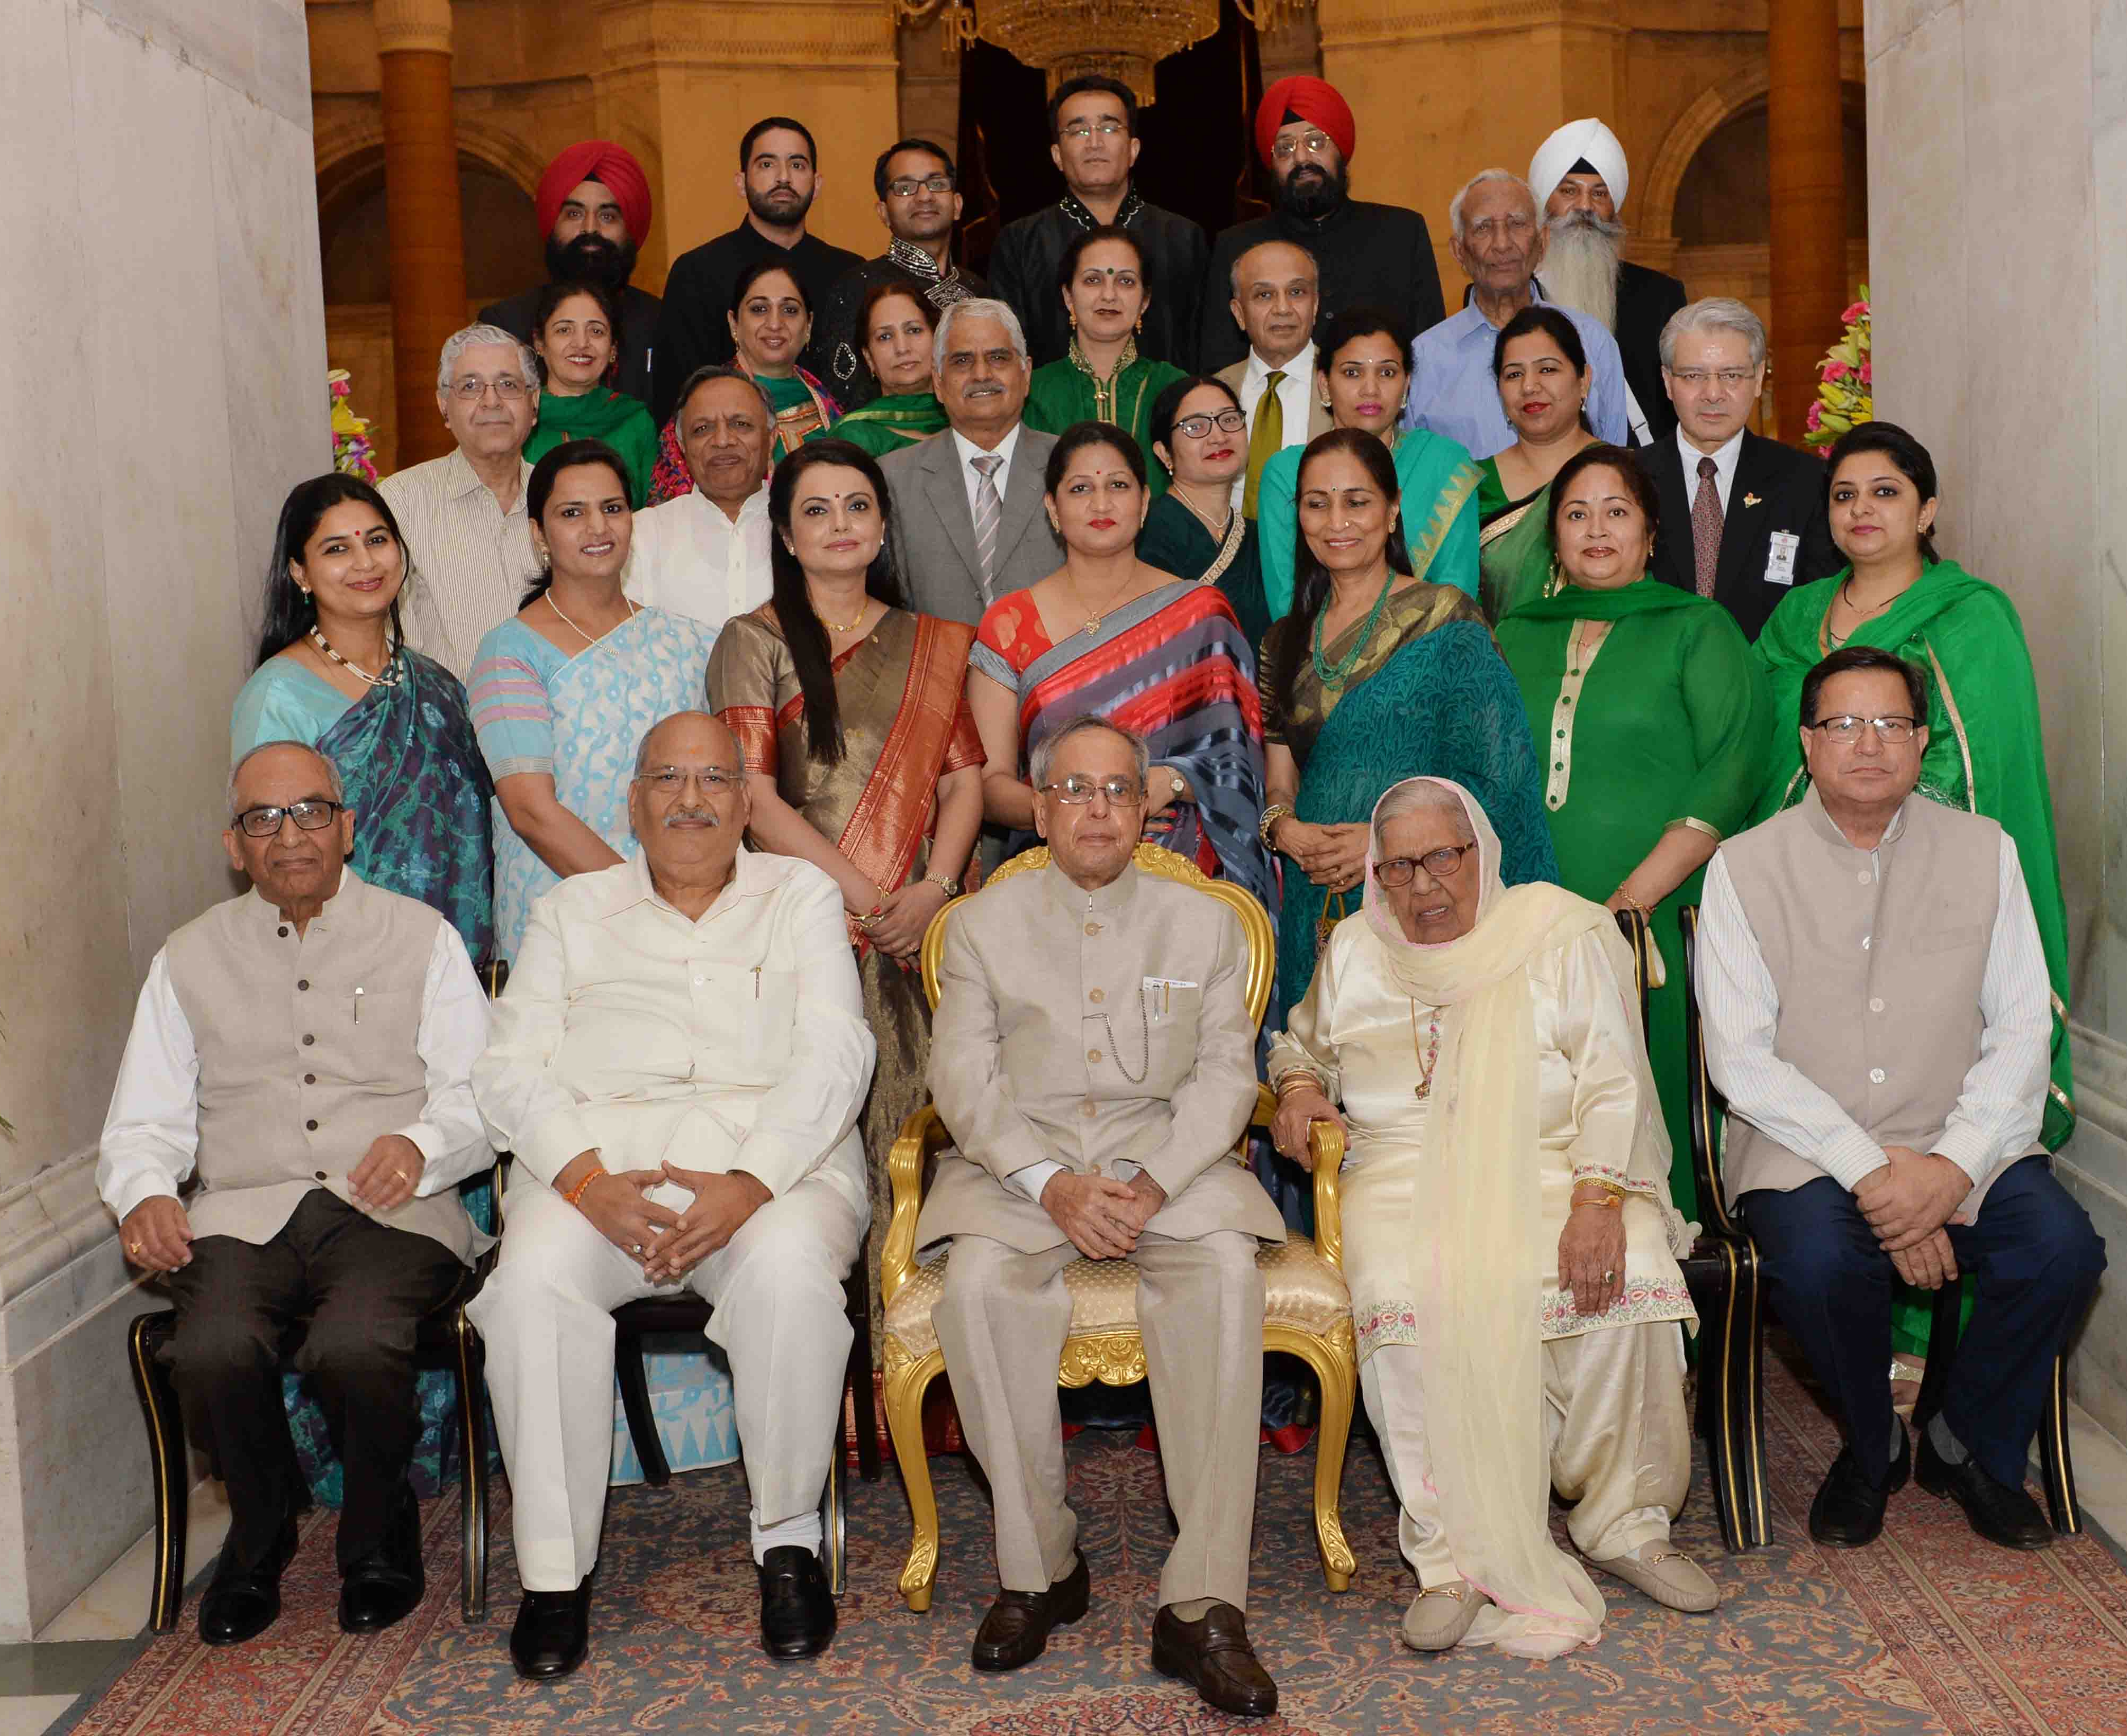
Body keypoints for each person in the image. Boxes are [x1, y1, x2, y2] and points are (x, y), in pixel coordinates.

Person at [1268, 777, 1713, 1656]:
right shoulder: (1357, 948)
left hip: (1557, 1164)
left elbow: (1614, 1077)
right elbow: (1299, 1041)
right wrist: (1297, 1088)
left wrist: (1596, 1198)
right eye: (1397, 867)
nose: (1424, 885)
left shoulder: (1557, 931)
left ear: (1480, 850)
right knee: (1401, 1283)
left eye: (1443, 857)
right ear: (1375, 872)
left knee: (1633, 1262)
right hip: (1397, 1172)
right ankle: (1453, 1557)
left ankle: (1624, 1524)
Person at [470, 710, 875, 1674]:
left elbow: (834, 1053)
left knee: (784, 1271)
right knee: (530, 1289)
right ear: (633, 801)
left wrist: (751, 1182)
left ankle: (787, 1548)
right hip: (599, 1174)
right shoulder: (570, 912)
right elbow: (506, 1070)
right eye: (666, 779)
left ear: (744, 802)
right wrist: (583, 1181)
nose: (689, 800)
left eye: (712, 780)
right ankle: (554, 1577)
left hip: (772, 1167)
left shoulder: (801, 897)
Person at [1696, 645, 2107, 1552]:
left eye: (1890, 724)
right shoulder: (1741, 867)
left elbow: (2017, 1030)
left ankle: (1968, 1443)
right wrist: (1880, 1178)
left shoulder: (1982, 850)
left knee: (2059, 1249)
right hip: (1804, 1145)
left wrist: (1952, 1168)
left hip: (1960, 1139)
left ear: (1922, 744)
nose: (1867, 744)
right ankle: (1871, 1444)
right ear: (1806, 745)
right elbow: (1740, 1061)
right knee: (1817, 1263)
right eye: (1842, 725)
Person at [923, 716, 1286, 1717]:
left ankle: (1202, 1605)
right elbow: (961, 1079)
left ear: (1145, 809)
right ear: (1038, 810)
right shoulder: (978, 928)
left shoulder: (1204, 922)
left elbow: (1224, 1077)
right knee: (979, 1287)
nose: (1096, 809)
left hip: (1170, 1160)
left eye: (1117, 791)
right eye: (1074, 791)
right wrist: (1048, 1183)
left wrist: (1159, 1180)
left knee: (1220, 1275)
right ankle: (1040, 1567)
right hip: (1020, 1165)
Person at [98, 742, 489, 1647]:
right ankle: (260, 1533)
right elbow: (142, 1122)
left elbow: (483, 1094)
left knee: (355, 1342)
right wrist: (147, 1195)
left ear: (347, 829)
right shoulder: (187, 957)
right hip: (243, 1209)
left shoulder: (422, 934)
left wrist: (423, 1143)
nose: (290, 835)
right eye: (262, 819)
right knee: (212, 1343)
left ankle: (376, 1535)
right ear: (235, 846)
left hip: (392, 1206)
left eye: (311, 811)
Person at [705, 440, 984, 1313]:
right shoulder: (751, 641)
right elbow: (750, 795)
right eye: (815, 511)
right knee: (823, 1154)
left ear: (882, 523)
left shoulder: (934, 642)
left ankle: (936, 1373)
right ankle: (847, 1387)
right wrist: (864, 899)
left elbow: (962, 777)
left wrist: (932, 890)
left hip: (927, 935)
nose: (839, 525)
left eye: (856, 506)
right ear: (785, 536)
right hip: (808, 932)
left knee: (937, 1137)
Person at [1751, 421, 2075, 1156]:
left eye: (1886, 492)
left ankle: (1940, 1183)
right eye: (1844, 495)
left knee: (1925, 1059)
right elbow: (1756, 743)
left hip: (1930, 888)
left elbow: (1991, 763)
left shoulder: (1972, 617)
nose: (1862, 509)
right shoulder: (1797, 617)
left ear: (1927, 510)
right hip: (1804, 887)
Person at [1493, 446, 1768, 1218]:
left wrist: (1629, 902)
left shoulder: (1698, 628)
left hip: (1654, 916)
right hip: (1528, 921)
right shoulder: (1515, 633)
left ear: (1651, 532)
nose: (1596, 530)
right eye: (1576, 514)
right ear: (1554, 538)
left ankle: (1672, 1292)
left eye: (1617, 512)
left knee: (1652, 1084)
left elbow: (1733, 768)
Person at [1257, 428, 1554, 1020]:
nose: (1336, 520)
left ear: (1392, 511)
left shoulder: (1446, 619)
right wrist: (1282, 830)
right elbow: (1279, 779)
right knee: (1324, 1071)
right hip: (1317, 896)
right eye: (1316, 504)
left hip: (1426, 889)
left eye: (1356, 501)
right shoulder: (1283, 640)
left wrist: (1379, 842)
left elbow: (1498, 781)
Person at [966, 421, 1273, 910]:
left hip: (1185, 878)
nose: (1101, 504)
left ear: (1146, 501)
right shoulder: (1009, 623)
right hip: (1052, 876)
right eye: (1081, 488)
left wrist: (1172, 783)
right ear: (1052, 507)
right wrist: (1075, 807)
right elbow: (987, 784)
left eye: (1118, 486)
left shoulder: (1200, 614)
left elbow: (1243, 762)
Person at [468, 441, 720, 963]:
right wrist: (644, 909)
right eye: (571, 513)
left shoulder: (688, 642)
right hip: (565, 918)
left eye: (612, 508)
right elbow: (531, 811)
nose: (598, 528)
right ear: (538, 533)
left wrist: (688, 906)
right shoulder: (509, 652)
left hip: (688, 914)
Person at [229, 475, 495, 962]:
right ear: (300, 572)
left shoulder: (436, 684)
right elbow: (273, 853)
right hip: (338, 964)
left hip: (453, 961)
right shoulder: (278, 694)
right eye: (336, 549)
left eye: (377, 540)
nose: (365, 562)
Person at [1200, 78, 1443, 371]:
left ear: (1341, 150)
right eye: (1285, 148)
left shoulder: (1402, 233)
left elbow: (1429, 355)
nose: (1301, 158)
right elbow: (1219, 364)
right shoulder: (1236, 246)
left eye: (1316, 142)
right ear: (1271, 162)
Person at [1256, 306, 1480, 619]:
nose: (1370, 389)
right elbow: (1287, 606)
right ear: (1324, 384)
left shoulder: (1445, 464)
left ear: (1407, 384)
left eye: (1387, 373)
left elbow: (1458, 599)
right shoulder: (1287, 472)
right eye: (1352, 372)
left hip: (1431, 654)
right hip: (1316, 655)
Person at [1638, 297, 1842, 639]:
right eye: (1693, 376)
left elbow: (1822, 612)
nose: (1713, 393)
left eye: (1731, 375)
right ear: (1667, 382)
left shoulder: (1807, 483)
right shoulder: (1627, 480)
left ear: (1759, 377)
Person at [990, 75, 1211, 371]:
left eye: (1109, 128)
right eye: (1078, 131)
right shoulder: (1020, 242)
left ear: (1133, 149)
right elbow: (1005, 353)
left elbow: (1202, 348)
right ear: (1057, 155)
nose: (1095, 143)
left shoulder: (1184, 238)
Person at [1406, 169, 1627, 459]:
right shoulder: (1424, 358)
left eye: (1517, 224)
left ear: (1542, 242)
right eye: (1483, 228)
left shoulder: (1592, 341)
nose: (1502, 244)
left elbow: (1616, 463)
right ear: (1459, 251)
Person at [877, 298, 1063, 623]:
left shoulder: (1069, 467)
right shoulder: (892, 479)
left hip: (1060, 671)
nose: (981, 374)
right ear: (938, 383)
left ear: (1026, 373)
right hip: (940, 671)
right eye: (962, 361)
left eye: (998, 358)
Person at [383, 324, 538, 680]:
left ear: (535, 403)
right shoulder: (401, 502)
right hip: (445, 725)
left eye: (508, 385)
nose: (491, 401)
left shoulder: (561, 497)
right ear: (444, 407)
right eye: (470, 386)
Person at [658, 116, 862, 383]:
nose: (784, 178)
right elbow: (679, 391)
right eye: (767, 164)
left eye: (797, 165)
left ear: (817, 184)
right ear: (741, 183)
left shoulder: (850, 274)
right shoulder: (697, 273)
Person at [480, 140, 675, 416]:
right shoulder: (505, 325)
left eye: (608, 216)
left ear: (630, 230)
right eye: (574, 214)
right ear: (553, 224)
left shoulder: (662, 324)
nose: (590, 229)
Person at [1530, 120, 1688, 446]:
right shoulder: (1517, 295)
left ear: (1614, 209)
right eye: (1569, 191)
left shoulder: (1660, 296)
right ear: (1546, 203)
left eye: (1599, 193)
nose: (1585, 207)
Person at [817, 139, 986, 410]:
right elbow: (842, 401)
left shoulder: (980, 292)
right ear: (883, 212)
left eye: (937, 184)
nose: (924, 197)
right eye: (905, 188)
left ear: (957, 205)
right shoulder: (855, 289)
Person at [1019, 225, 1188, 493]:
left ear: (1145, 301)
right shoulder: (1031, 391)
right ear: (1068, 297)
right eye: (1093, 280)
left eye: (1126, 282)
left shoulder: (1177, 389)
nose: (1109, 295)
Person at [1474, 308, 1600, 624]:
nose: (1529, 386)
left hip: (1611, 663)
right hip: (1500, 664)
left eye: (1547, 370)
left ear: (1584, 380)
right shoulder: (1471, 484)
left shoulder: (1625, 472)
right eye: (1514, 374)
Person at [630, 367, 776, 632]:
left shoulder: (804, 528)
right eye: (702, 429)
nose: (722, 441)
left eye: (740, 424)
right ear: (682, 446)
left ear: (772, 438)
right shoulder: (641, 534)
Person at [1137, 374, 1271, 647]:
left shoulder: (1261, 536)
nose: (1219, 436)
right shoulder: (1147, 531)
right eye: (1195, 427)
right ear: (1164, 453)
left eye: (1230, 420)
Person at [1212, 240, 1328, 519]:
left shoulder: (1346, 386)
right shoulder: (1213, 392)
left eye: (1296, 292)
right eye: (1264, 295)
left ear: (1315, 306)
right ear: (1239, 313)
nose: (1283, 308)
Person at [522, 281, 660, 506]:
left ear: (613, 349)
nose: (581, 343)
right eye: (564, 330)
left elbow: (655, 515)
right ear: (540, 343)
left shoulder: (634, 421)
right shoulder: (521, 419)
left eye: (596, 331)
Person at [726, 259, 843, 464]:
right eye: (759, 309)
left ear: (808, 326)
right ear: (734, 323)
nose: (774, 324)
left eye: (789, 310)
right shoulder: (708, 400)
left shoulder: (827, 403)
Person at [828, 275, 948, 456]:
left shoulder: (969, 421)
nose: (902, 348)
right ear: (869, 358)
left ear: (937, 341)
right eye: (885, 337)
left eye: (914, 330)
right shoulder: (853, 437)